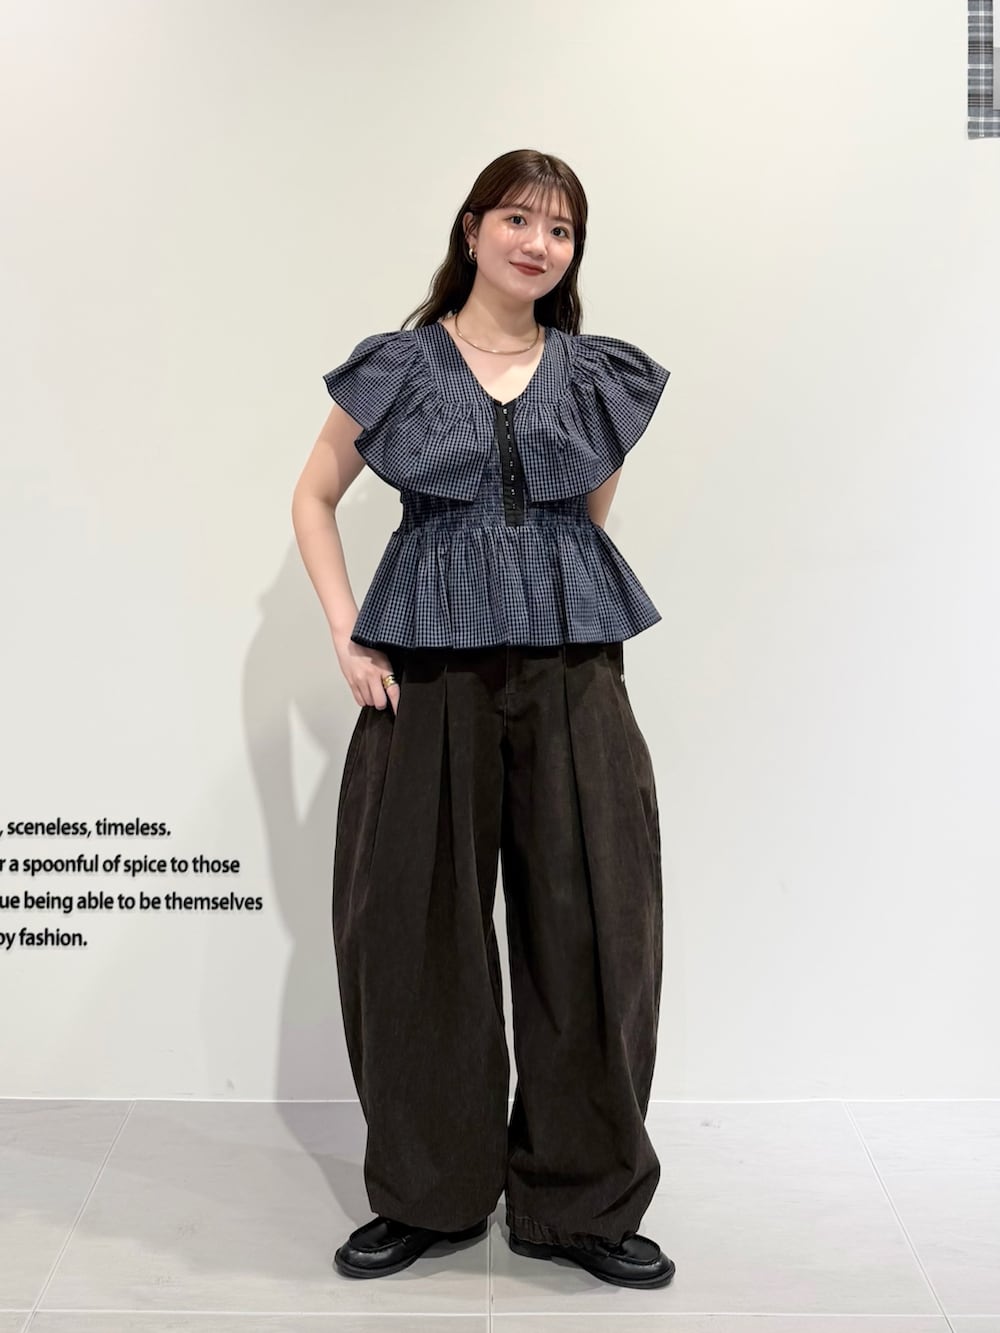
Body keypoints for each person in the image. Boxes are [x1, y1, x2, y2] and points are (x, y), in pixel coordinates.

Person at [291, 148, 675, 1290]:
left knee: (594, 924)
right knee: (414, 929)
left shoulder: (594, 373)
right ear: (472, 230)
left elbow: (585, 514)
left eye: (560, 230)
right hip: (427, 669)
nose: (537, 244)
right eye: (518, 219)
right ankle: (429, 1193)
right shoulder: (401, 364)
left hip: (571, 667)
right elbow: (314, 495)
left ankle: (580, 1203)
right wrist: (346, 632)